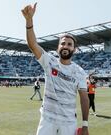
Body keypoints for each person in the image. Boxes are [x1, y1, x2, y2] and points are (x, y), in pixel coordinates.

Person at [22, 3, 89, 135]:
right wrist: (29, 21)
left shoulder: (79, 71)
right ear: (58, 48)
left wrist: (85, 124)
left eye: (69, 44)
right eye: (62, 43)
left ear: (74, 49)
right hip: (47, 120)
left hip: (69, 123)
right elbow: (33, 45)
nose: (66, 46)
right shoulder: (49, 62)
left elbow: (84, 98)